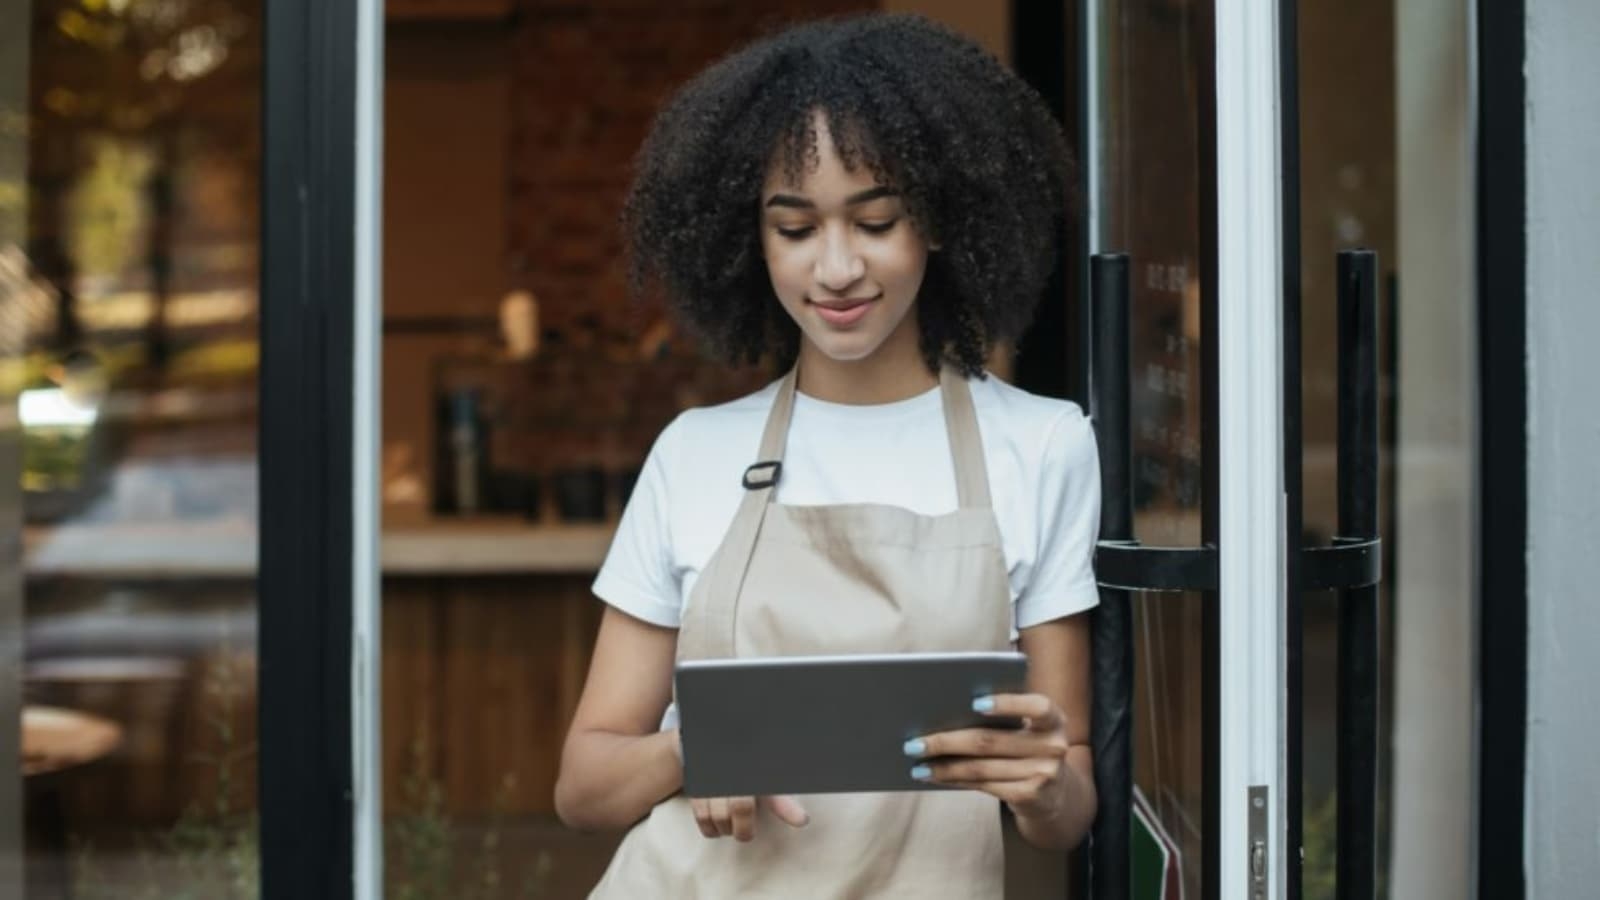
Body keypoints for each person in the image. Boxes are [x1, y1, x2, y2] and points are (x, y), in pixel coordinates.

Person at [554, 13, 1100, 898]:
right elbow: (584, 788)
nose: (836, 267)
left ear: (939, 221)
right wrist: (700, 751)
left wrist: (1045, 786)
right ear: (752, 241)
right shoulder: (696, 453)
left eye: (876, 220)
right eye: (796, 228)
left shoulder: (1043, 445)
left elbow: (1066, 807)